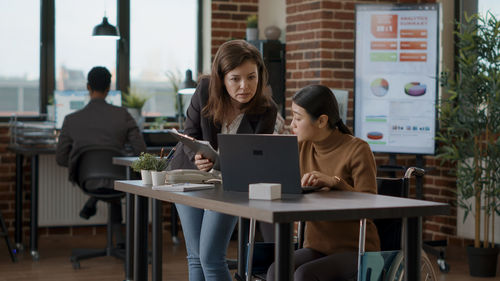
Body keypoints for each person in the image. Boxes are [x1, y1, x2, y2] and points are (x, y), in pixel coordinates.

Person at [168, 40, 278, 281]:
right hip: (190, 175)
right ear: (221, 77)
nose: (244, 86)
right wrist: (197, 155)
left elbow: (256, 156)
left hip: (230, 183)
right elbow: (190, 133)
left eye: (251, 77)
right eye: (235, 78)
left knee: (211, 257)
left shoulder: (267, 109)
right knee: (196, 257)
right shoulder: (206, 89)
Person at [266, 84, 380, 281]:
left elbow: (370, 205)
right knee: (276, 270)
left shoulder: (358, 150)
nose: (292, 124)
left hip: (358, 249)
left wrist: (335, 182)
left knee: (305, 275)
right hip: (317, 247)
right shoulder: (301, 147)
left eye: (298, 118)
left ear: (321, 121)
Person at [56, 66, 146, 243]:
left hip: (87, 179)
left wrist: (81, 163)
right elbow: (141, 152)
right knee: (118, 179)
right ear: (109, 88)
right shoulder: (123, 115)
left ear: (88, 87)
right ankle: (122, 240)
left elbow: (60, 158)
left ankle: (93, 201)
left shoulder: (71, 120)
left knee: (107, 179)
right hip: (120, 179)